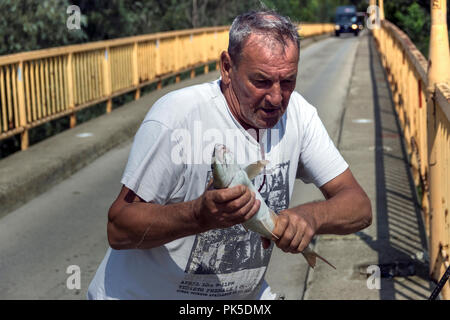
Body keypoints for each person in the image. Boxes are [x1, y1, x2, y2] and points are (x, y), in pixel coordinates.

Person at [87, 10, 372, 300]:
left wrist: (310, 217)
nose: (276, 98)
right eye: (261, 81)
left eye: (287, 81)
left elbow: (359, 207)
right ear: (227, 67)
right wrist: (198, 215)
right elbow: (119, 227)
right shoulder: (176, 117)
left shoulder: (299, 115)